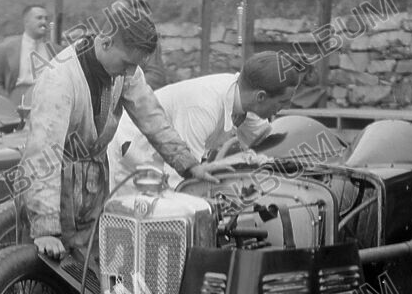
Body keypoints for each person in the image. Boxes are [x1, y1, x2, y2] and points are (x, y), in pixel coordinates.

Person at [21, 0, 221, 267]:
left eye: (135, 65)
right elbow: (42, 154)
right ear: (105, 43)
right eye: (127, 63)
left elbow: (152, 116)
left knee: (90, 272)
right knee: (48, 272)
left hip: (92, 189)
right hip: (53, 192)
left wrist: (189, 165)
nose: (131, 72)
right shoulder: (59, 79)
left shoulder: (126, 71)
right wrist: (45, 227)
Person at [107, 51, 301, 194]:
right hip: (134, 154)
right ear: (261, 96)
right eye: (282, 102)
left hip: (167, 159)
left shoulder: (245, 102)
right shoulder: (203, 107)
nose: (284, 108)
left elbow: (265, 144)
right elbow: (182, 179)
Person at [0, 4, 55, 105]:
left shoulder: (55, 50)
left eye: (46, 18)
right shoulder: (5, 48)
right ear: (26, 22)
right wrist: (8, 103)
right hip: (17, 102)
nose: (44, 22)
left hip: (49, 102)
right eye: (39, 18)